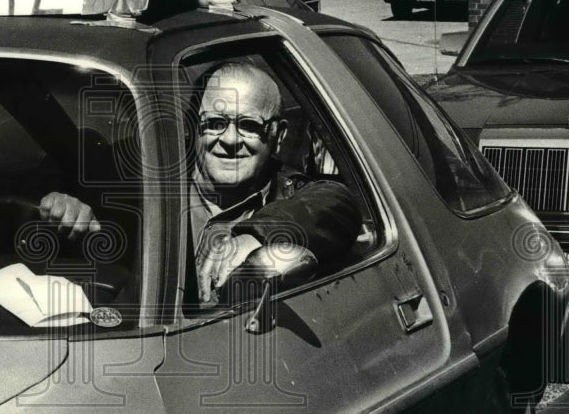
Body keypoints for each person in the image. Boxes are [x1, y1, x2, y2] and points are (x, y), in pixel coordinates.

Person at [40, 61, 361, 304]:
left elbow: (337, 202)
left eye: (249, 125)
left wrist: (256, 235)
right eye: (216, 123)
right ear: (194, 129)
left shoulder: (289, 193)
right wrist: (67, 206)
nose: (230, 140)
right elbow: (71, 190)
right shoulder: (145, 177)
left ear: (278, 136)